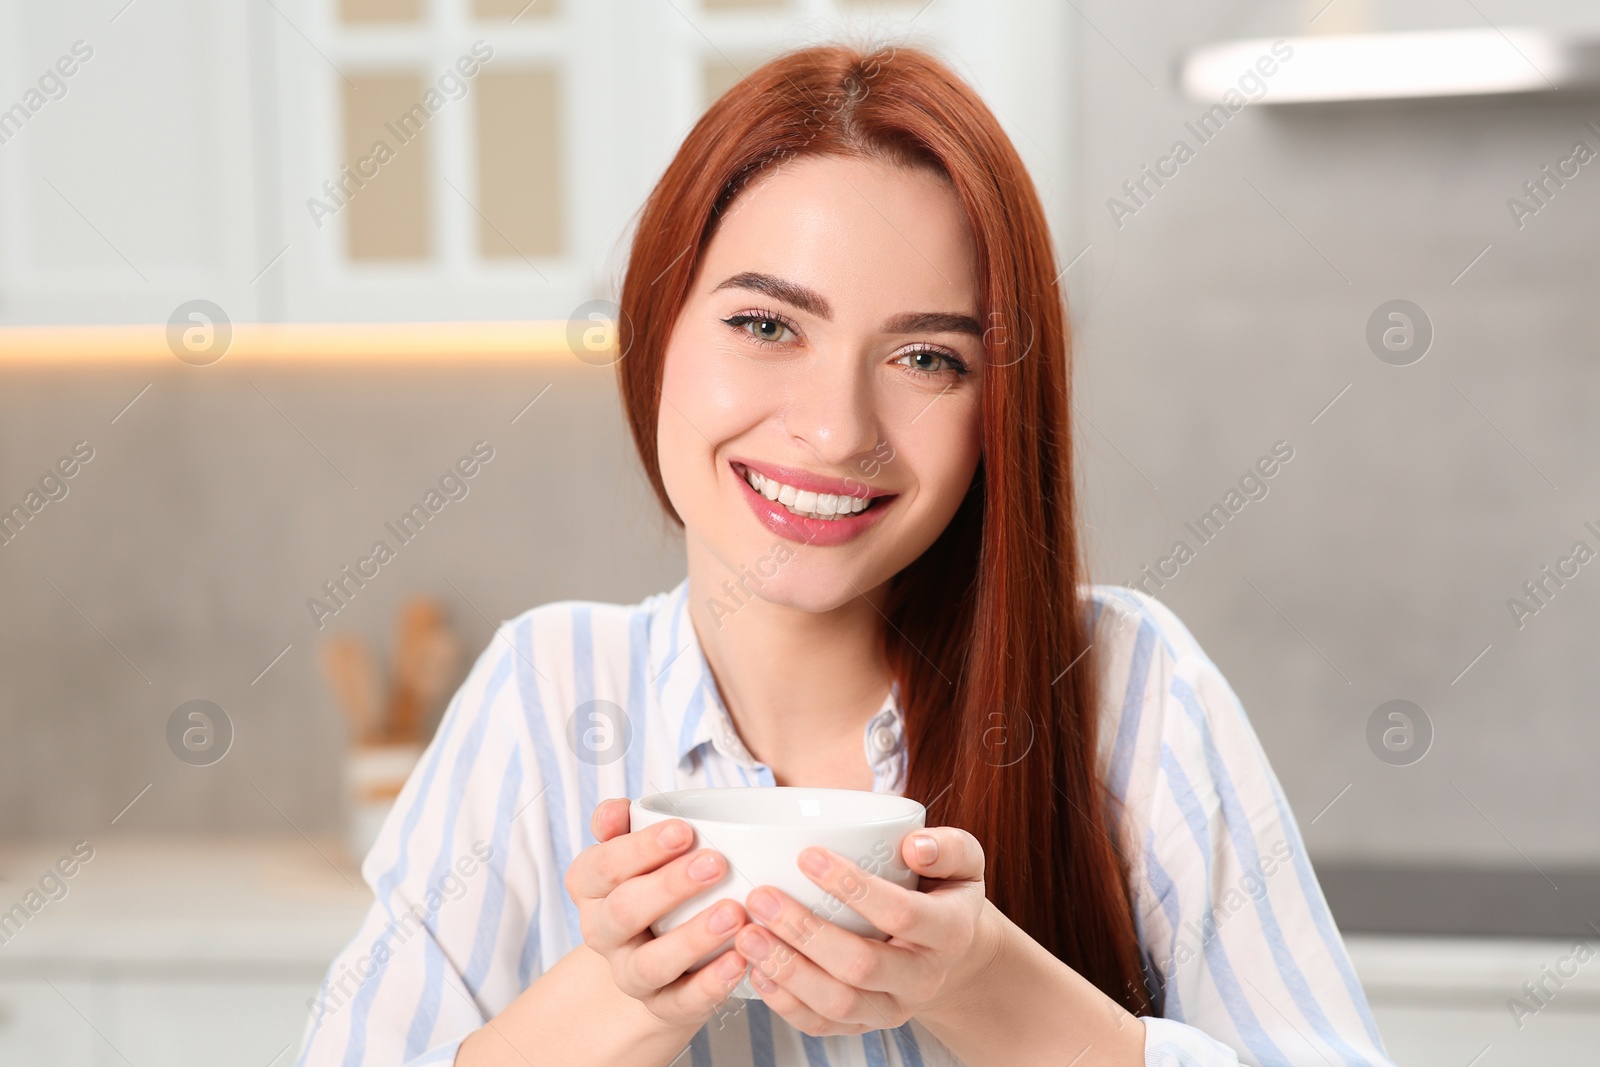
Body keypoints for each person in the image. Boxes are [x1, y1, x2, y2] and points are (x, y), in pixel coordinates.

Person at [294, 42, 1395, 1067]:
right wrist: (626, 995)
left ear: (997, 409)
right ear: (656, 327)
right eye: (768, 325)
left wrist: (983, 978)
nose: (835, 430)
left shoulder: (1128, 690)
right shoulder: (545, 695)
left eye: (926, 357)